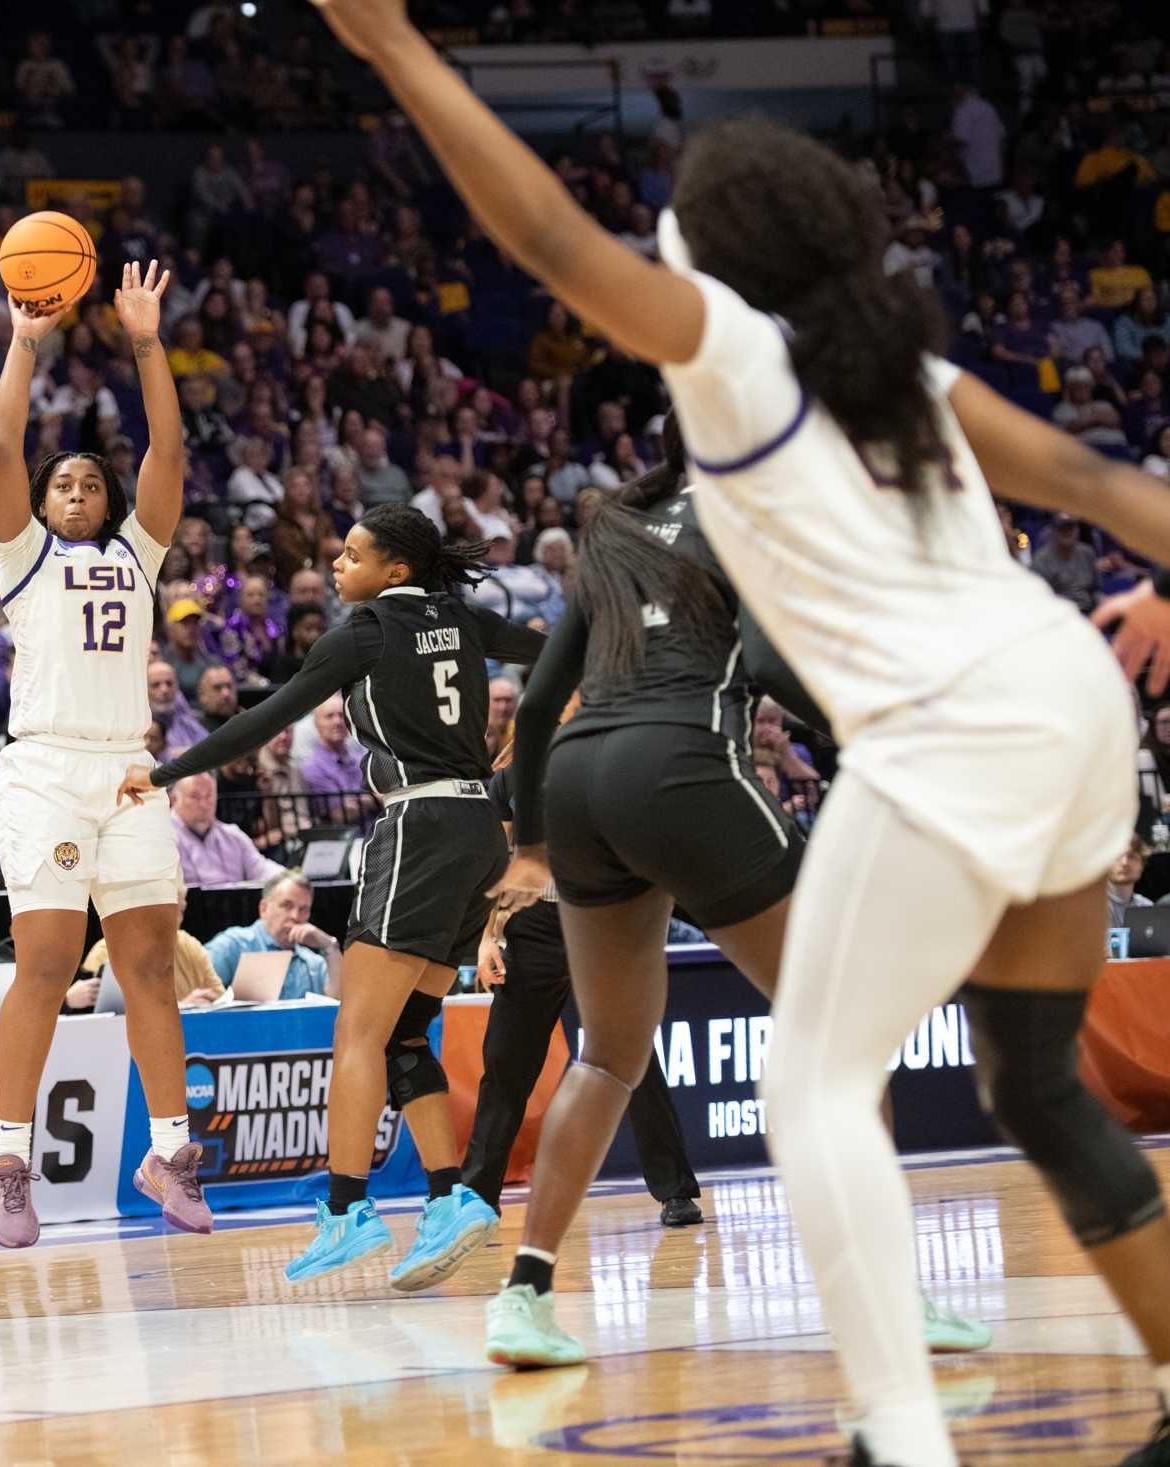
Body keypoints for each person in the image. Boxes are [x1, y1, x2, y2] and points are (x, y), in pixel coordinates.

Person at [313, 5, 1170, 1458]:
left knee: (815, 1080)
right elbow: (1094, 476)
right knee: (1031, 1075)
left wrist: (397, 50)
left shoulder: (736, 358)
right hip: (1076, 703)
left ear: (709, 256)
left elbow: (552, 244)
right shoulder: (914, 378)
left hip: (951, 723)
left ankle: (897, 1432)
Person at [122, 502, 543, 1289]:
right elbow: (559, 659)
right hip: (481, 827)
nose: (338, 566)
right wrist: (518, 754)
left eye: (353, 555)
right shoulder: (462, 617)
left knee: (357, 1029)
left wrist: (165, 770)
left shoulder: (367, 632)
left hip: (417, 827)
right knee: (406, 1034)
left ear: (397, 571)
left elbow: (264, 717)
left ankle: (347, 1208)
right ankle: (451, 1197)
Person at [0, 262, 212, 1250]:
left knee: (150, 963)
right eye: (59, 482)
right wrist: (27, 340)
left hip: (128, 768)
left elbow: (170, 445)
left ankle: (167, 1152)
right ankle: (8, 1158)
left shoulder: (135, 554)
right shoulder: (23, 554)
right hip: (43, 769)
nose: (75, 489)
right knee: (44, 962)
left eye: (87, 481)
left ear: (107, 501)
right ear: (40, 505)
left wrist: (147, 340)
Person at [466, 761, 703, 1228]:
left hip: (600, 918)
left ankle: (675, 1191)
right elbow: (499, 861)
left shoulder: (614, 762)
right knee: (506, 1062)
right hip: (532, 923)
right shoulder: (515, 776)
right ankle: (476, 1198)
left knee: (633, 1060)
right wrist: (487, 936)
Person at [69, 879, 225, 1009]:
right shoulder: (106, 952)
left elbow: (221, 999)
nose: (176, 919)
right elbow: (102, 1017)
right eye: (170, 911)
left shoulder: (189, 946)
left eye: (181, 910)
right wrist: (185, 1007)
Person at [202, 869, 341, 1000]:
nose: (295, 916)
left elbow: (343, 1008)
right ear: (264, 908)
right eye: (286, 905)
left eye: (303, 909)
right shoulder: (233, 945)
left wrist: (330, 945)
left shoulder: (313, 963)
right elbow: (198, 995)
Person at [169, 771, 281, 886]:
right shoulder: (161, 840)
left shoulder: (233, 835)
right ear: (173, 799)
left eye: (209, 796)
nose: (203, 804)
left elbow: (262, 870)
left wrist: (291, 878)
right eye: (195, 797)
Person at [1111, 830, 1154, 930]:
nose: (1124, 863)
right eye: (1117, 856)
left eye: (1132, 857)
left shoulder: (1147, 908)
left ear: (1142, 865)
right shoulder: (1092, 906)